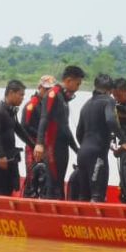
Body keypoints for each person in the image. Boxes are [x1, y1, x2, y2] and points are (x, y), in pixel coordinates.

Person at [74, 74, 126, 202]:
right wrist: (124, 141)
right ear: (110, 90)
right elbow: (111, 120)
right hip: (97, 155)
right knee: (97, 196)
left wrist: (87, 146)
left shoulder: (86, 104)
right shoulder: (108, 100)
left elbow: (79, 133)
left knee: (83, 196)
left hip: (82, 153)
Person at [33, 65, 85, 199]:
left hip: (62, 147)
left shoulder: (63, 98)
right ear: (68, 81)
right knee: (53, 182)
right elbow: (44, 118)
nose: (78, 87)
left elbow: (65, 128)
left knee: (59, 182)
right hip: (52, 146)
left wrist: (77, 149)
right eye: (77, 84)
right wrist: (39, 143)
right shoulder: (53, 94)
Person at [0, 80, 35, 196]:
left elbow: (18, 129)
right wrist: (1, 156)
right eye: (21, 95)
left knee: (11, 187)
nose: (23, 98)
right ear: (11, 93)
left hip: (10, 155)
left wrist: (33, 145)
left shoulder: (11, 111)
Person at [20, 75, 55, 197]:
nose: (47, 92)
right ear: (39, 87)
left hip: (47, 146)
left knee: (46, 177)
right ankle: (28, 200)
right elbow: (24, 127)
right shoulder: (31, 106)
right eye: (45, 89)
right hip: (33, 146)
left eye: (50, 89)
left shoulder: (49, 105)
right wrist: (38, 142)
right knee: (32, 176)